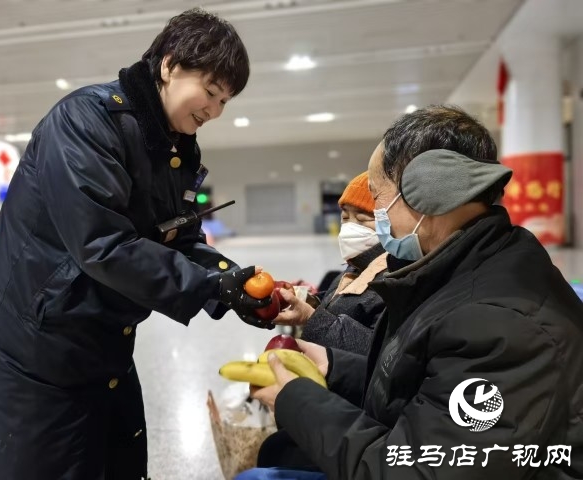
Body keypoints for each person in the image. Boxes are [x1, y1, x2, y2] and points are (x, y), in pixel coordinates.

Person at [0, 9, 271, 480]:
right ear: (170, 65)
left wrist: (231, 281)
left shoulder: (174, 145)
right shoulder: (85, 121)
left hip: (103, 344)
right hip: (37, 352)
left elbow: (177, 236)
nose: (215, 111)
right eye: (212, 92)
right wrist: (209, 288)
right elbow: (102, 244)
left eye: (226, 101)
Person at [238, 105, 583, 479]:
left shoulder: (504, 326)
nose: (377, 215)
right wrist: (333, 367)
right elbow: (425, 384)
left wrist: (296, 401)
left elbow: (417, 471)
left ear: (428, 191)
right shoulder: (458, 268)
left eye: (378, 196)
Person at [273, 172, 387, 355]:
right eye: (345, 217)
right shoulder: (357, 266)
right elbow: (341, 307)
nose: (351, 227)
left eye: (363, 218)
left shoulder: (391, 283)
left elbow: (378, 353)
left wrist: (311, 318)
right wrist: (308, 300)